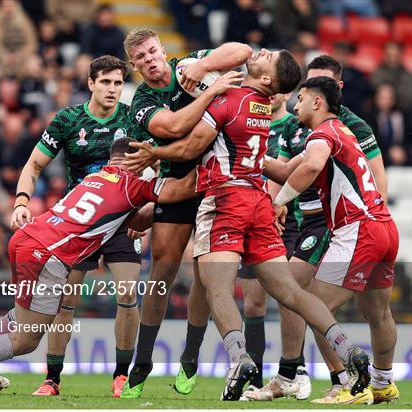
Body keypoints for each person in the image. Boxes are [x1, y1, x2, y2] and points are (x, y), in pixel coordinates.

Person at [125, 49, 372, 402]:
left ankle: (239, 359)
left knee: (217, 290)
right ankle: (349, 351)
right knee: (290, 293)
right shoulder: (262, 109)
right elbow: (265, 160)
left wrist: (155, 154)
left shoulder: (231, 100)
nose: (261, 53)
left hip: (226, 200)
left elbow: (189, 147)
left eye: (268, 57)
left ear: (268, 79)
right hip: (259, 203)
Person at [0, 137, 198, 395]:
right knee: (27, 339)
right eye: (146, 159)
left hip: (26, 239)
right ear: (134, 160)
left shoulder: (94, 177)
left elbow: (128, 220)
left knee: (23, 316)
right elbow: (182, 189)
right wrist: (211, 170)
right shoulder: (132, 184)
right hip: (48, 254)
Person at [0, 56, 143, 398]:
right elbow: (33, 165)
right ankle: (52, 379)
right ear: (90, 83)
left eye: (118, 83)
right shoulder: (67, 119)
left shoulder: (132, 119)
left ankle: (121, 375)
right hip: (79, 223)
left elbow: (152, 165)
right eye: (105, 82)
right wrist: (20, 201)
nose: (112, 89)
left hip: (122, 220)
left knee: (128, 293)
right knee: (65, 302)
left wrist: (143, 215)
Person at [120, 28, 252, 399]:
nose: (149, 60)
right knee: (162, 268)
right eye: (141, 57)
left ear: (163, 50)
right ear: (135, 66)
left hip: (217, 176)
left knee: (206, 274)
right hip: (178, 182)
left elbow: (242, 49)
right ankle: (142, 361)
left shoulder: (189, 65)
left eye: (152, 51)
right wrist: (211, 89)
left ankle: (190, 357)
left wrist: (205, 66)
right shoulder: (142, 101)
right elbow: (175, 127)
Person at [268, 55, 388, 405]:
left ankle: (345, 378)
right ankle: (383, 382)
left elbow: (309, 168)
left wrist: (281, 200)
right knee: (378, 313)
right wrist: (246, 153)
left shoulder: (329, 130)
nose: (296, 101)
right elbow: (289, 168)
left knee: (311, 303)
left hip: (351, 227)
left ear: (323, 97)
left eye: (303, 96)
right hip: (374, 225)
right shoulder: (329, 129)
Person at [234, 92, 309, 395]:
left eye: (280, 88)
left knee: (289, 296)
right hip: (251, 218)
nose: (273, 93)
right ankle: (253, 378)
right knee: (253, 304)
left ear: (288, 93)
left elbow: (294, 169)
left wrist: (279, 201)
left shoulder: (294, 125)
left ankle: (296, 369)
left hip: (289, 221)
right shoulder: (250, 122)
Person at [372, 42, 412, 111]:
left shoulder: (409, 76)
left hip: (403, 112)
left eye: (395, 55)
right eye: (389, 55)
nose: (392, 58)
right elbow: (373, 94)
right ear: (384, 56)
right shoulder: (377, 73)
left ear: (400, 56)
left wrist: (392, 97)